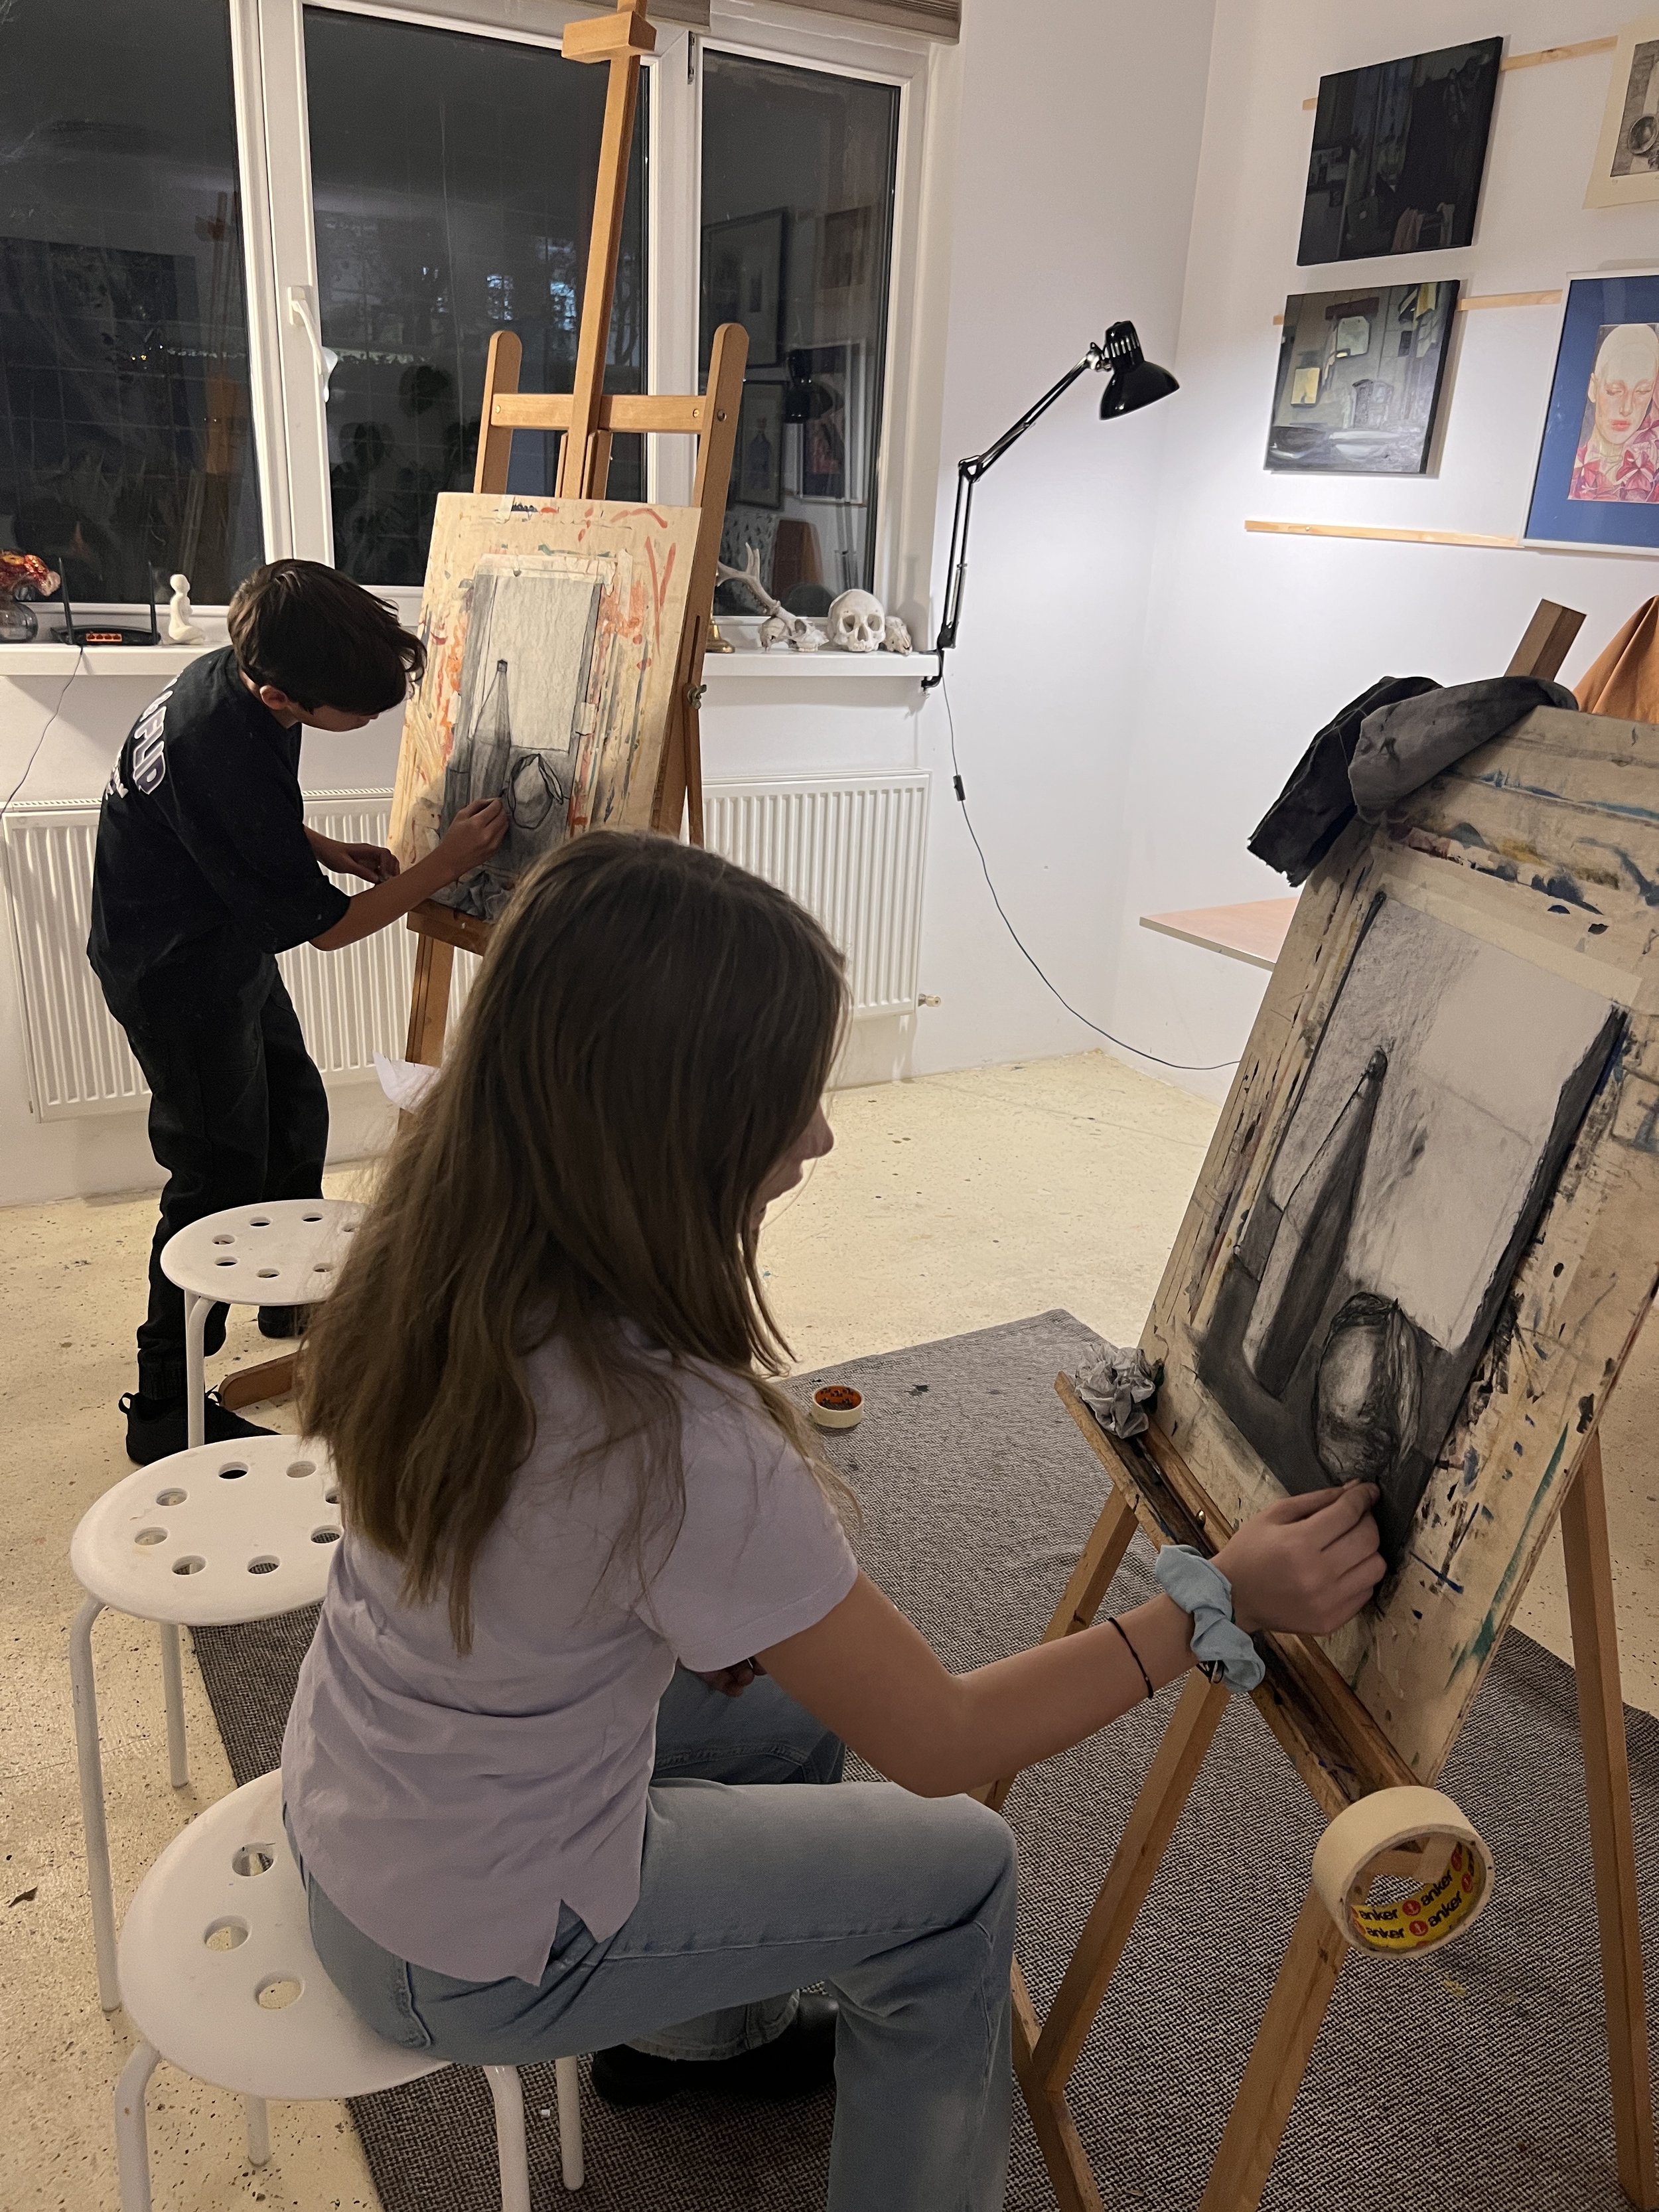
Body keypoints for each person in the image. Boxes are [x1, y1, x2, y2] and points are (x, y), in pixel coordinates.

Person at [281, 832, 1385, 2212]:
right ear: (674, 1135)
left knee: (787, 1708)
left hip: (362, 1816)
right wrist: (1208, 1598)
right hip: (473, 1945)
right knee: (960, 1874)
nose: (818, 1135)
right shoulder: (670, 1431)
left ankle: (691, 2037)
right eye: (787, 1102)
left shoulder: (431, 1245)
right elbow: (945, 1742)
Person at [88, 557, 507, 1463]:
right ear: (282, 696)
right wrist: (448, 863)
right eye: (353, 714)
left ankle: (285, 1294)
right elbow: (329, 933)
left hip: (215, 935)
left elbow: (243, 820)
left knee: (294, 1110)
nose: (365, 722)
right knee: (211, 1175)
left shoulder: (237, 666)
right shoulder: (217, 739)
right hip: (174, 970)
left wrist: (321, 846)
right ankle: (164, 1401)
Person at [1569, 321, 1659, 504]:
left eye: (1642, 391)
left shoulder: (1653, 474)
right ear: (1593, 388)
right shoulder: (1569, 468)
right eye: (1614, 390)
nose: (1627, 408)